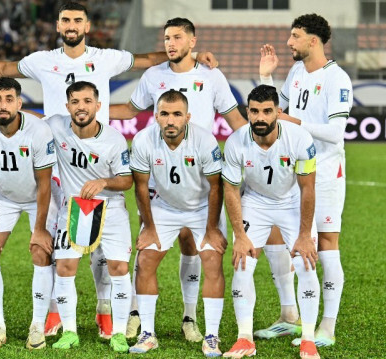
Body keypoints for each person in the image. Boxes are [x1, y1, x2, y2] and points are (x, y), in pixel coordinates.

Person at [0, 1, 217, 338]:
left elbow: (147, 60)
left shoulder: (106, 57)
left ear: (87, 26)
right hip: (57, 156)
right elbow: (2, 67)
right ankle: (56, 315)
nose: (71, 25)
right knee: (61, 247)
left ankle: (105, 309)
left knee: (103, 248)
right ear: (58, 26)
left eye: (77, 20)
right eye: (65, 20)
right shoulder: (43, 60)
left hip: (97, 152)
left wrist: (190, 56)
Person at [110, 17, 247, 340]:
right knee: (147, 246)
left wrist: (263, 145)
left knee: (192, 245)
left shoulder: (210, 75)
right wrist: (88, 111)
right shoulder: (153, 75)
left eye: (177, 37)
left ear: (192, 42)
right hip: (161, 172)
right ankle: (135, 313)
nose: (171, 43)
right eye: (167, 37)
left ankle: (189, 317)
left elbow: (235, 119)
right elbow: (130, 111)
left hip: (199, 177)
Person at [258, 13, 353, 347]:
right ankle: (289, 316)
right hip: (291, 168)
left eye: (295, 36)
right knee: (274, 235)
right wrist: (265, 77)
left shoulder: (337, 79)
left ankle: (327, 326)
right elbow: (277, 111)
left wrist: (293, 120)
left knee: (325, 244)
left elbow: (335, 132)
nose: (288, 42)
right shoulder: (297, 71)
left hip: (325, 171)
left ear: (314, 40)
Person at [221, 85, 320, 359]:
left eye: (267, 111)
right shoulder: (235, 142)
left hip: (291, 202)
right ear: (248, 112)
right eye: (254, 111)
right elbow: (230, 189)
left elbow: (308, 189)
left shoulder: (299, 139)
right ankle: (244, 339)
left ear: (278, 112)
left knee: (306, 263)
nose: (260, 117)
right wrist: (240, 235)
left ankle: (308, 339)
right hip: (255, 202)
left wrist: (303, 234)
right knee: (242, 264)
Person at [128, 90, 226, 356]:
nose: (170, 120)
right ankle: (148, 334)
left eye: (176, 114)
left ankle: (212, 336)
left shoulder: (205, 140)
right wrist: (148, 227)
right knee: (145, 260)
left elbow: (216, 188)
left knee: (212, 261)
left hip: (203, 208)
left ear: (187, 117)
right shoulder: (143, 140)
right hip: (165, 207)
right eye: (164, 114)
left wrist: (212, 229)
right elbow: (140, 186)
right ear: (156, 116)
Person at [0, 78, 56, 349]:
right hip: (3, 197)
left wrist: (39, 229)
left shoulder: (39, 131)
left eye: (9, 99)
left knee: (41, 251)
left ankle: (38, 326)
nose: (2, 105)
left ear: (19, 103)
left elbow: (44, 183)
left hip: (38, 198)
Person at [46, 81, 133, 353]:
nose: (81, 107)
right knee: (64, 269)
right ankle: (70, 331)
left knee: (118, 269)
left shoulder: (114, 139)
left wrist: (104, 182)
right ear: (68, 106)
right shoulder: (55, 126)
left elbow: (127, 180)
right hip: (74, 209)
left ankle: (118, 332)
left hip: (110, 209)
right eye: (75, 101)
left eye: (86, 101)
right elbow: (29, 121)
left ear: (97, 105)